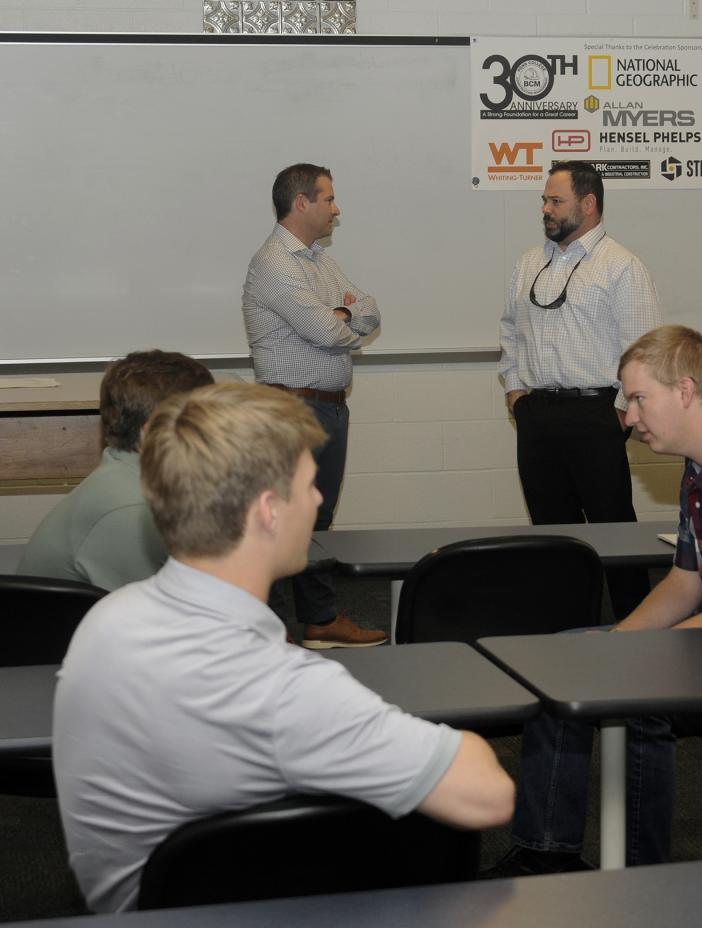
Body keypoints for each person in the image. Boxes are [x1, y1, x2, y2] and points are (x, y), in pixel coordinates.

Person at [53, 383, 514, 913]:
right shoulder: (278, 688)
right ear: (268, 510)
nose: (318, 501)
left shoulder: (106, 622)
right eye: (310, 485)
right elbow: (487, 794)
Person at [489, 325, 702, 876]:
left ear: (686, 391)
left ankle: (644, 876)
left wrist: (632, 661)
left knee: (639, 692)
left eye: (639, 398)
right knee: (566, 658)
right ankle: (545, 852)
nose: (628, 416)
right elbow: (685, 583)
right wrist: (618, 642)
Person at [499, 161, 663, 619]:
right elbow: (509, 331)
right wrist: (516, 392)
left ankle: (637, 626)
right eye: (544, 201)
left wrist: (616, 415)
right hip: (536, 416)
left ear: (588, 204)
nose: (545, 210)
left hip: (597, 416)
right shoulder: (529, 263)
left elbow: (643, 351)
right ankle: (565, 628)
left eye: (556, 201)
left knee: (613, 531)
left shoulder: (622, 267)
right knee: (552, 534)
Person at [242, 163, 384, 648]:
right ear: (301, 202)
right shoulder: (274, 263)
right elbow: (327, 331)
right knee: (282, 519)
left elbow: (370, 309)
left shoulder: (319, 260)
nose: (335, 209)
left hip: (329, 408)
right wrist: (343, 317)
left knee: (317, 519)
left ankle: (320, 620)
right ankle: (260, 629)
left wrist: (342, 313)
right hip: (292, 412)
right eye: (328, 199)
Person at [18, 350, 213, 590]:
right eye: (206, 418)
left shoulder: (128, 478)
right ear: (154, 432)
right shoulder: (132, 509)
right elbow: (166, 615)